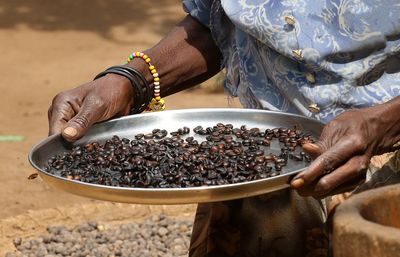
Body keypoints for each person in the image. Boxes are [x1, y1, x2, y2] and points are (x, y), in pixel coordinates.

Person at [48, 1, 400, 256]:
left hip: (387, 177)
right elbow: (215, 21)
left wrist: (384, 123)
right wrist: (133, 79)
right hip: (261, 172)